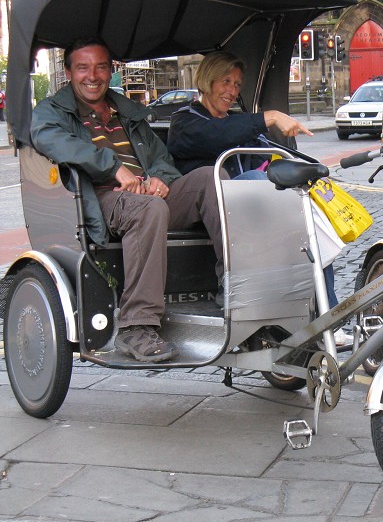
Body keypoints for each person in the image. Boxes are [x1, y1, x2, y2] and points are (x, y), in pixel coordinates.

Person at [30, 37, 225, 363]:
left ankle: (233, 288)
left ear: (111, 70)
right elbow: (54, 143)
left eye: (101, 67)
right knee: (149, 208)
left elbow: (161, 157)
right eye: (83, 67)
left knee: (211, 179)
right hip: (102, 197)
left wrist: (162, 179)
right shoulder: (51, 112)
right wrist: (115, 169)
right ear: (68, 72)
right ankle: (136, 327)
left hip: (147, 194)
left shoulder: (126, 111)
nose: (92, 75)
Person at [167, 51, 351, 345]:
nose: (231, 91)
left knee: (306, 211)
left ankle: (327, 313)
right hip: (206, 209)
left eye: (237, 84)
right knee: (254, 183)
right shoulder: (185, 121)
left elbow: (261, 160)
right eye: (225, 81)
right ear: (207, 80)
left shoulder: (240, 125)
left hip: (251, 211)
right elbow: (214, 136)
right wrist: (269, 117)